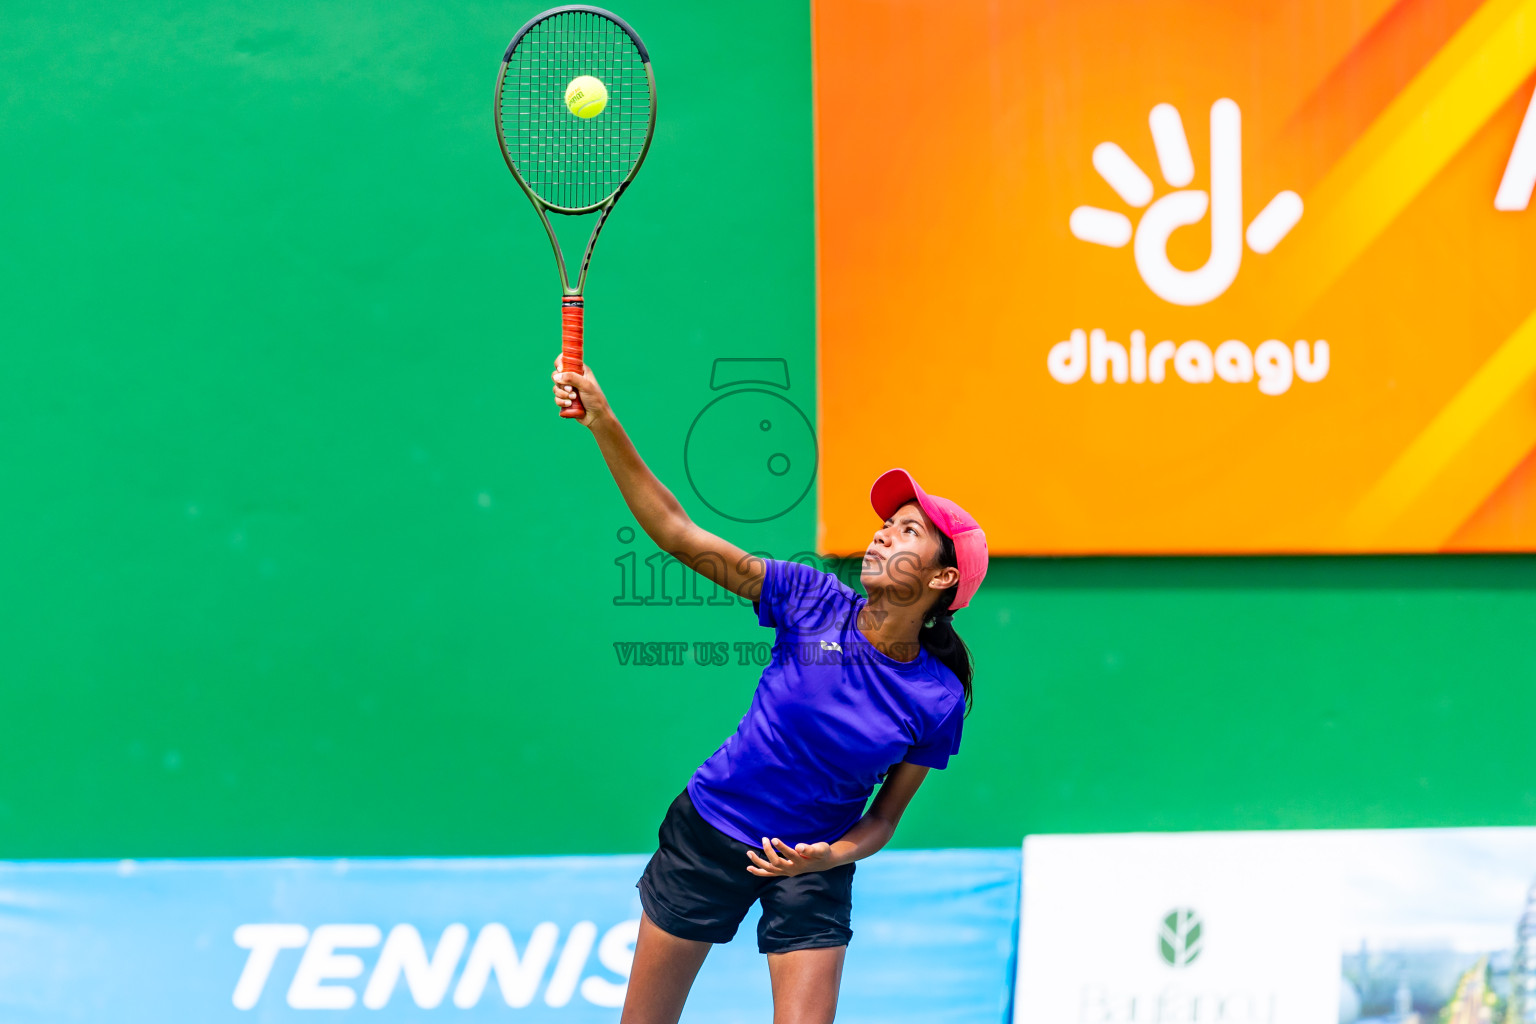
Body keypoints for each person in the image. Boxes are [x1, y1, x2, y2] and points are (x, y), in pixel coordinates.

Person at [551, 357, 988, 1024]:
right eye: (887, 522)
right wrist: (603, 421)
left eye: (908, 532)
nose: (882, 532)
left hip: (809, 864)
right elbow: (677, 532)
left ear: (940, 581)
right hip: (711, 832)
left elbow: (884, 820)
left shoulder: (937, 699)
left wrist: (830, 854)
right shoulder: (809, 596)